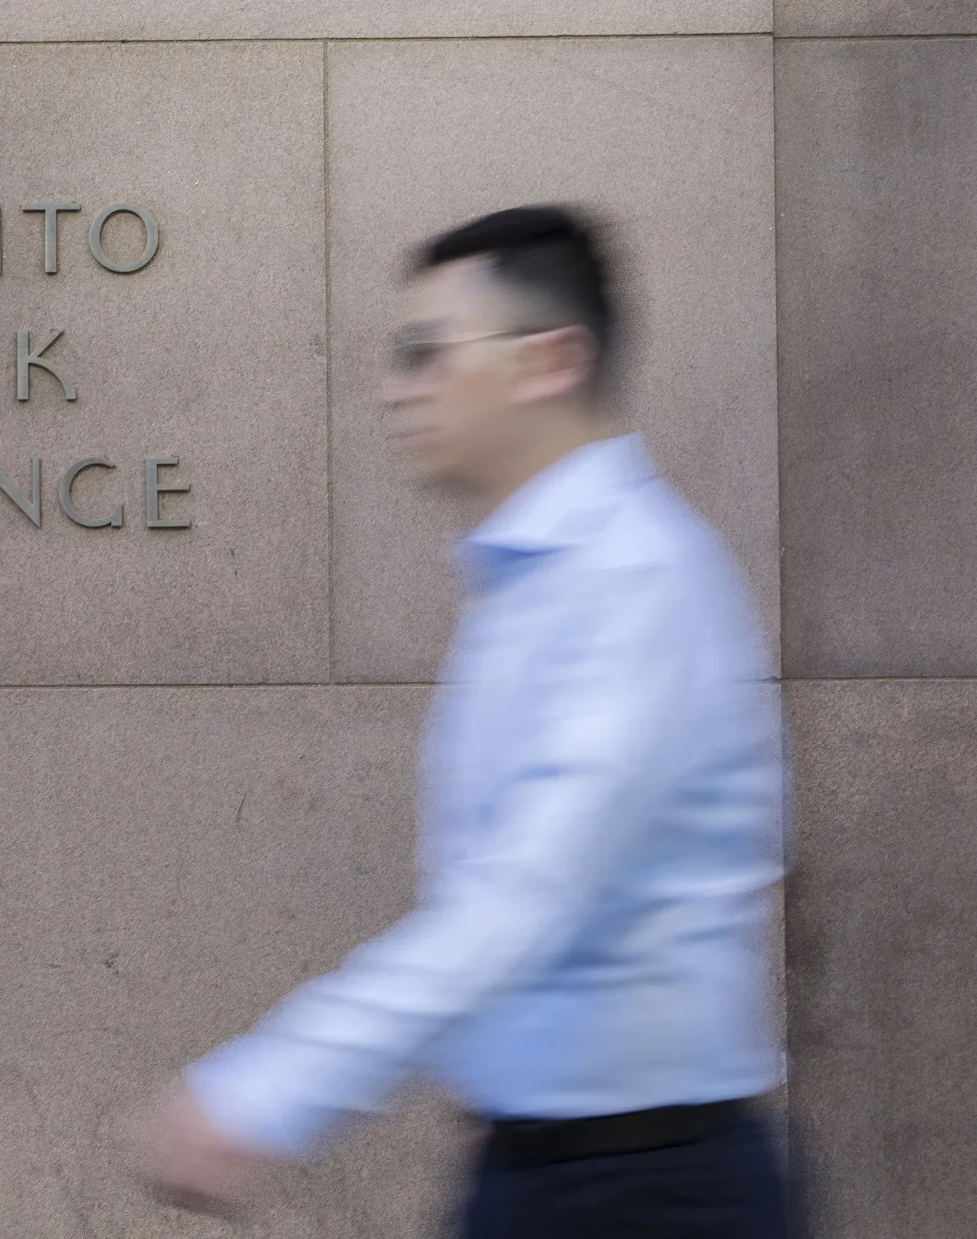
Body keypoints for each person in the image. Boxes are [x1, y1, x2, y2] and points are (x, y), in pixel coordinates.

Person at [131, 206, 790, 1236]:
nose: (397, 389)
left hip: (648, 1193)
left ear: (548, 361)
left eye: (425, 353)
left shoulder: (632, 580)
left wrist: (266, 1090)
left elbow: (524, 894)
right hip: (553, 1167)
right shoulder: (531, 581)